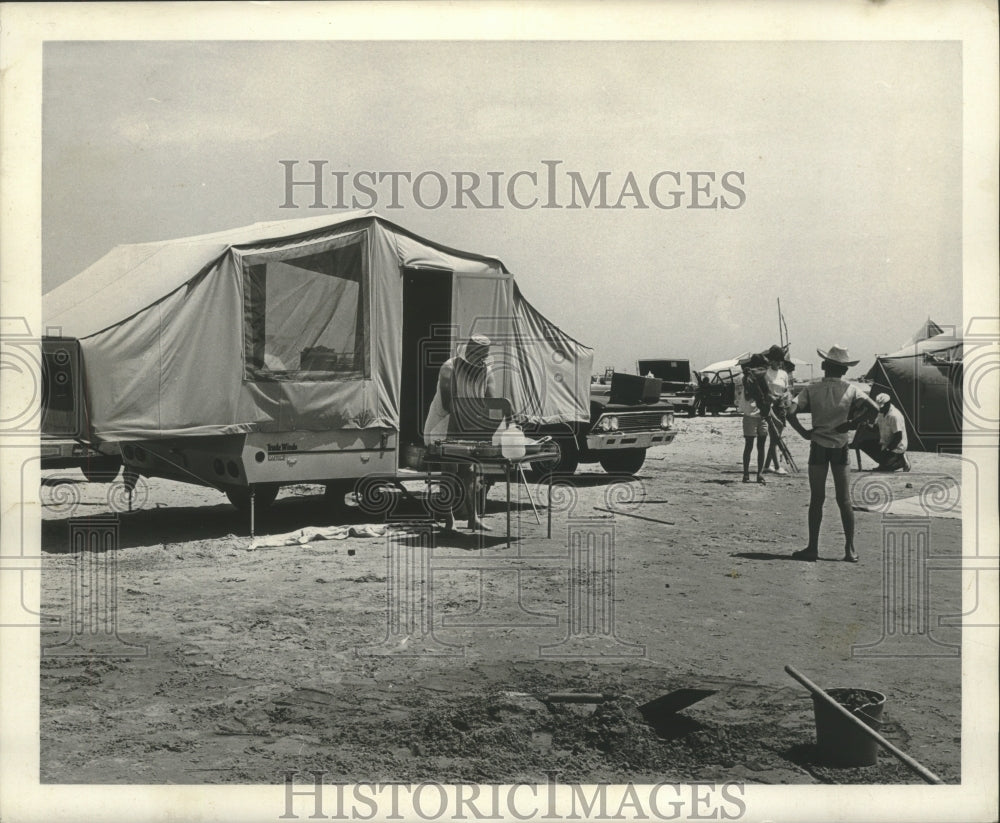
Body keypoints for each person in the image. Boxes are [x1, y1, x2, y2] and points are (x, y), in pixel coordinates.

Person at [787, 344, 881, 563]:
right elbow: (875, 408)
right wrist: (851, 424)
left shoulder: (812, 389)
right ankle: (849, 549)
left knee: (817, 499)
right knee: (844, 499)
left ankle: (812, 548)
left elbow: (790, 411)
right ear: (845, 370)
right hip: (840, 446)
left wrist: (803, 433)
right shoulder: (851, 389)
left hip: (819, 444)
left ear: (823, 366)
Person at [423, 334, 498, 532]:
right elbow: (449, 404)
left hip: (468, 425)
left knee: (469, 473)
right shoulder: (450, 368)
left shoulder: (486, 371)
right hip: (445, 424)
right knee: (449, 471)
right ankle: (449, 520)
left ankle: (473, 518)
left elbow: (491, 401)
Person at [735, 353, 769, 485]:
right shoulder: (747, 377)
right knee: (750, 445)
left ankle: (759, 474)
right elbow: (749, 396)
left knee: (759, 445)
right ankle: (746, 473)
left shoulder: (760, 377)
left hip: (762, 415)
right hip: (750, 415)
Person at [856, 392, 911, 472]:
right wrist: (867, 425)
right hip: (885, 443)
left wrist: (888, 449)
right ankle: (886, 462)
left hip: (896, 446)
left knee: (886, 469)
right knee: (864, 444)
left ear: (888, 404)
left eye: (882, 407)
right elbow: (875, 429)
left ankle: (901, 460)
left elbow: (898, 437)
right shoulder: (881, 413)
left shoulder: (894, 416)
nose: (880, 409)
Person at [762, 344, 790, 475]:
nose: (778, 363)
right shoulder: (766, 373)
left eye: (780, 360)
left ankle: (767, 465)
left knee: (776, 437)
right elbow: (764, 391)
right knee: (775, 437)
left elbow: (787, 389)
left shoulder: (784, 374)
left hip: (781, 407)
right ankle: (777, 466)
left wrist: (784, 396)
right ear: (770, 360)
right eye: (775, 360)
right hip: (770, 407)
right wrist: (772, 398)